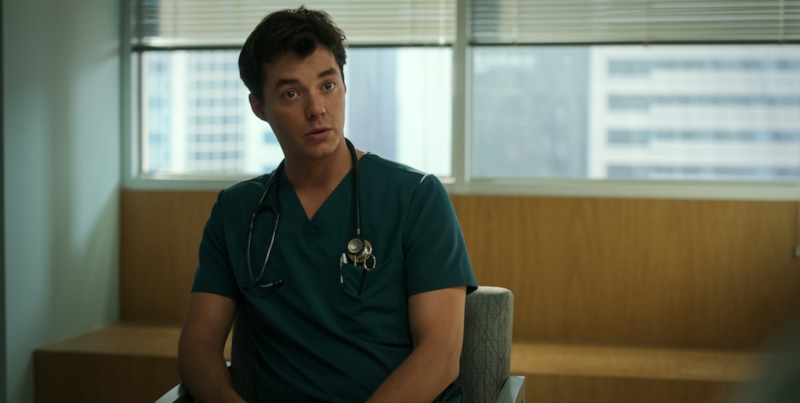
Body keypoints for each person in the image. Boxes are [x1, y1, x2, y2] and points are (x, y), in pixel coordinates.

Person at [177, 6, 478, 403]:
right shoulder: (237, 211)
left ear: (345, 87)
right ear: (259, 107)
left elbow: (440, 356)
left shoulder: (416, 197)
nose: (316, 108)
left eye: (328, 85)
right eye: (291, 93)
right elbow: (198, 346)